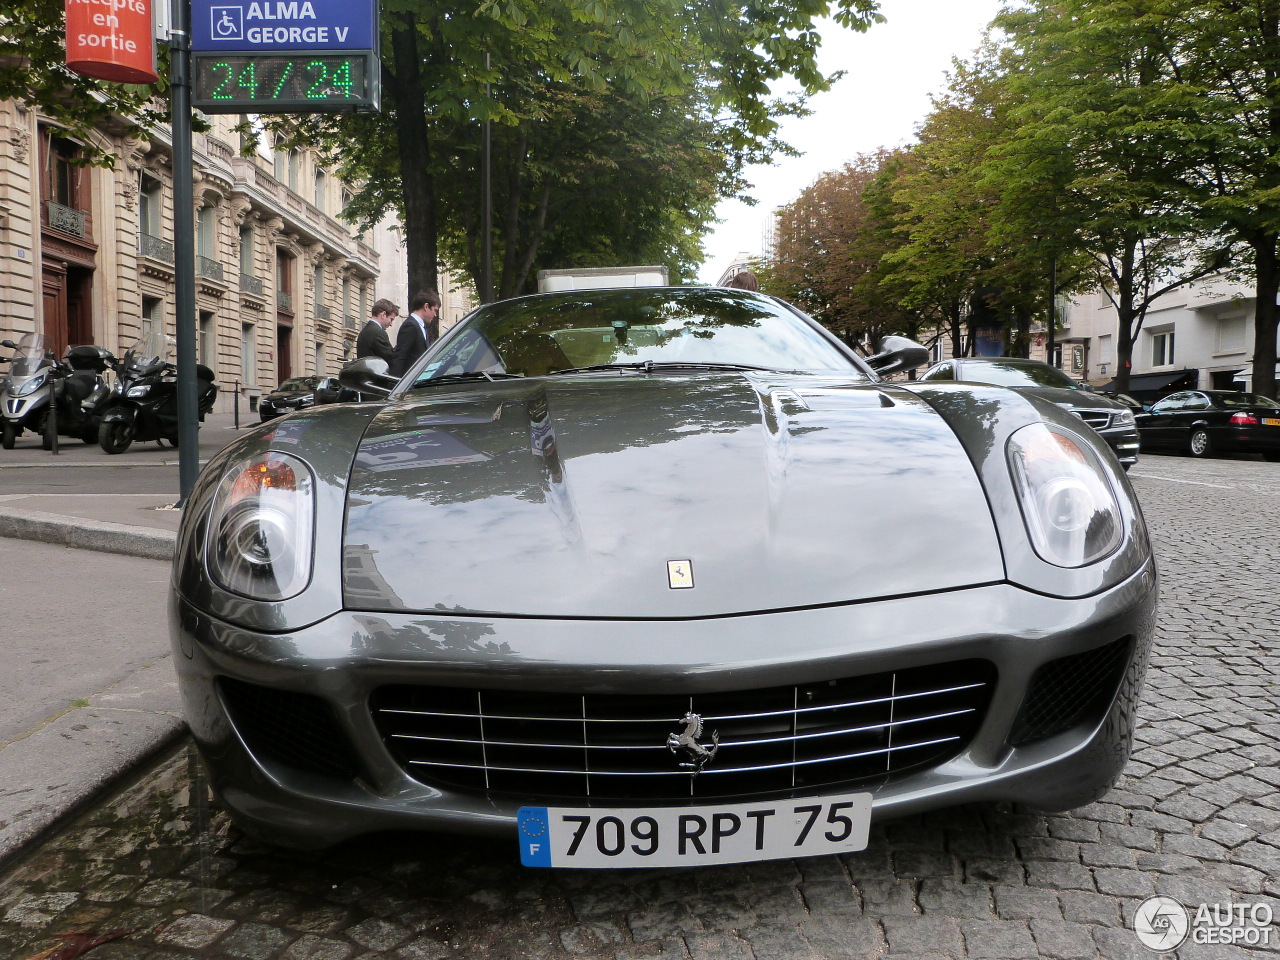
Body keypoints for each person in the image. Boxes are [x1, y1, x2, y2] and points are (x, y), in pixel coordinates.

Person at [391, 290, 440, 377]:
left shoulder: (420, 326)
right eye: (435, 310)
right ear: (426, 306)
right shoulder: (410, 326)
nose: (435, 314)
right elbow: (400, 357)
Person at [356, 298, 398, 366]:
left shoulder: (365, 331)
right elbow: (391, 359)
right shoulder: (378, 333)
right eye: (391, 319)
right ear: (383, 314)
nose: (391, 324)